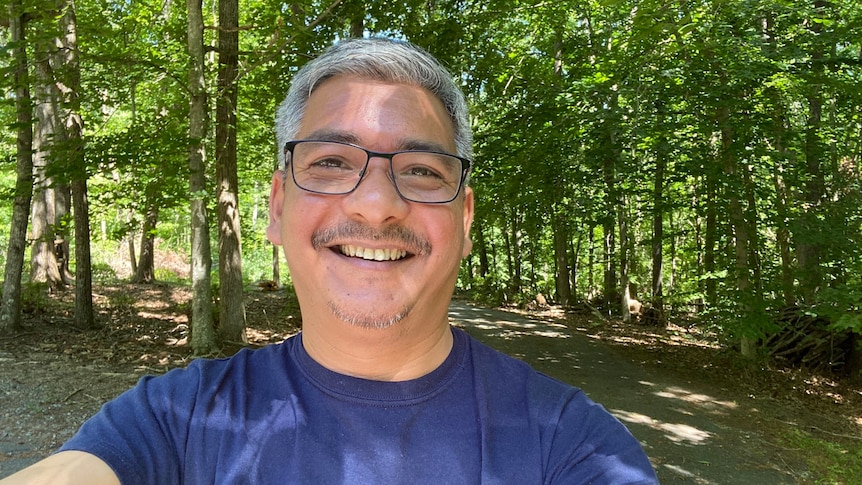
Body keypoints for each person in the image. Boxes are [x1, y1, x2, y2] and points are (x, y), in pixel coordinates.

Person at [2, 37, 658, 484]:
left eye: (423, 170)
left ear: (464, 217)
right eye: (332, 162)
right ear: (279, 206)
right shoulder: (174, 420)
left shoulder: (572, 446)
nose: (376, 204)